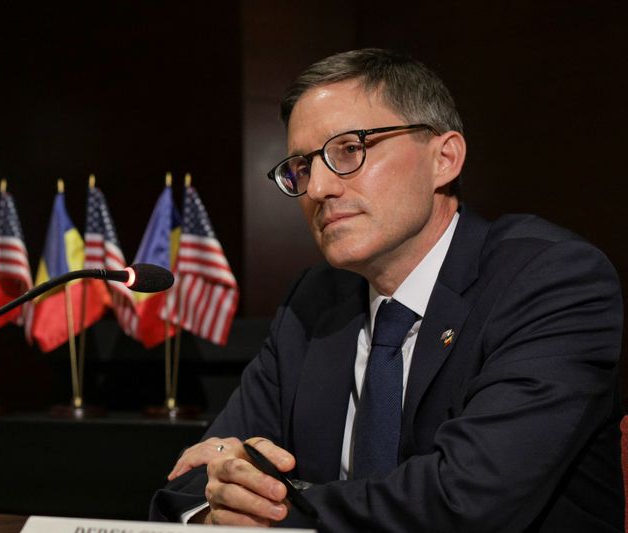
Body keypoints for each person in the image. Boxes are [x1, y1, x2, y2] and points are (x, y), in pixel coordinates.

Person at [149, 48, 624, 532]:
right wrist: (214, 505)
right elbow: (193, 478)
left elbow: (466, 502)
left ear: (445, 158)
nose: (316, 189)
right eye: (302, 166)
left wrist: (283, 509)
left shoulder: (550, 279)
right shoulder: (313, 302)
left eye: (349, 150)